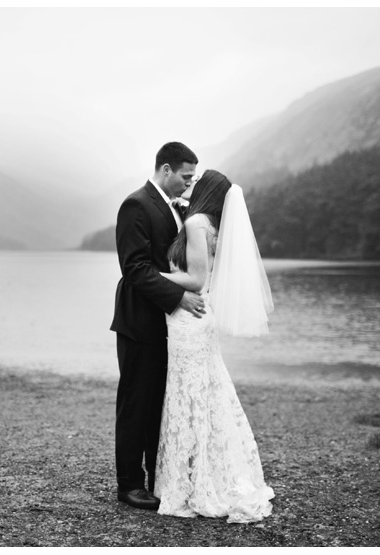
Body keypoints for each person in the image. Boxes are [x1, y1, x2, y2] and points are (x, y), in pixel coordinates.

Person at [153, 169, 275, 523]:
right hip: (197, 320)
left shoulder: (195, 225)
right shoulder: (210, 225)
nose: (189, 186)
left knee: (190, 395)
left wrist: (148, 274)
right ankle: (204, 474)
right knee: (203, 395)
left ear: (205, 191)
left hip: (189, 321)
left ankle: (196, 483)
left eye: (195, 183)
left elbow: (196, 279)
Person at [110, 142, 207, 511]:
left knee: (159, 406)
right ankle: (129, 485)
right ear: (165, 170)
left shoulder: (175, 208)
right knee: (136, 403)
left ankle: (159, 479)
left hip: (167, 325)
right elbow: (134, 268)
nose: (189, 183)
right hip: (139, 321)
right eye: (185, 176)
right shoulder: (136, 205)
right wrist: (178, 297)